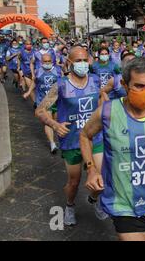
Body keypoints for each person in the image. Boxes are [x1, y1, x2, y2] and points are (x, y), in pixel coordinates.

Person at [80, 57, 145, 241]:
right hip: (122, 202)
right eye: (139, 86)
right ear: (125, 85)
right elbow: (85, 135)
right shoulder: (108, 111)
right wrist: (91, 169)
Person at [35, 46, 107, 226]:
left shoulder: (96, 80)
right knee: (74, 183)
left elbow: (100, 103)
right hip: (72, 140)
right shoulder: (60, 85)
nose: (82, 64)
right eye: (78, 61)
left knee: (104, 176)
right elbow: (40, 110)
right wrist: (54, 124)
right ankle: (69, 206)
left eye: (85, 60)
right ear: (69, 63)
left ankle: (94, 199)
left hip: (94, 138)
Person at [24, 54, 61, 154]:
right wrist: (28, 92)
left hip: (56, 100)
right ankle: (52, 144)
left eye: (49, 61)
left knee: (54, 120)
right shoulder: (38, 71)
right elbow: (34, 82)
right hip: (43, 101)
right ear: (41, 62)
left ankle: (54, 134)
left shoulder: (57, 71)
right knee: (48, 121)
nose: (47, 63)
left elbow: (63, 83)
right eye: (45, 62)